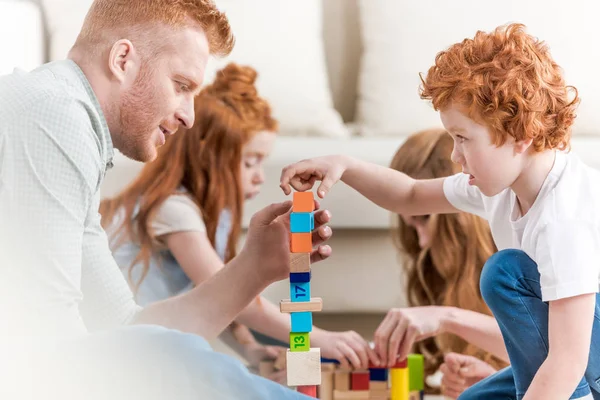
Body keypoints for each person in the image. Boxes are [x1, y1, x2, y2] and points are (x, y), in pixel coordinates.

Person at [0, 1, 347, 399]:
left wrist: (255, 267)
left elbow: (124, 327)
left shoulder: (72, 126)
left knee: (173, 353)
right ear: (123, 58)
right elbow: (49, 356)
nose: (189, 117)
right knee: (184, 359)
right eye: (182, 86)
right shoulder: (53, 115)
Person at [280, 23, 600, 400]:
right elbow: (410, 194)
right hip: (574, 358)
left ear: (520, 135)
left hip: (581, 363)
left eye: (463, 138)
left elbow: (568, 359)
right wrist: (346, 166)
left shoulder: (565, 217)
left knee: (505, 272)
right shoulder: (500, 185)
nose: (454, 155)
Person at [99, 62, 375, 372]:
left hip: (160, 342)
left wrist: (251, 349)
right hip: (129, 349)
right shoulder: (172, 210)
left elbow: (222, 298)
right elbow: (231, 292)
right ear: (208, 157)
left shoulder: (218, 216)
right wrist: (317, 337)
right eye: (250, 162)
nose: (260, 177)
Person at [388, 128, 508, 398]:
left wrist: (497, 382)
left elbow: (559, 358)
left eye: (424, 219)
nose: (422, 242)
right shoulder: (435, 265)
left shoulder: (517, 263)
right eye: (411, 223)